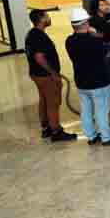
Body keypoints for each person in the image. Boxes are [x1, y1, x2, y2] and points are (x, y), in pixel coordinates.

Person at [65, 8, 110, 146]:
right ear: (86, 24)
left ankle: (91, 136)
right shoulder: (95, 41)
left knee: (86, 110)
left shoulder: (69, 41)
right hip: (99, 82)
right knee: (101, 111)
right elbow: (106, 53)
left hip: (81, 82)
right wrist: (95, 34)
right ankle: (106, 137)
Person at [25, 9, 76, 141]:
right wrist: (53, 73)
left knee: (44, 100)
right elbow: (39, 57)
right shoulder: (39, 36)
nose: (49, 18)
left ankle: (46, 128)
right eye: (47, 16)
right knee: (53, 102)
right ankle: (56, 131)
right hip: (45, 75)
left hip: (36, 74)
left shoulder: (32, 34)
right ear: (41, 19)